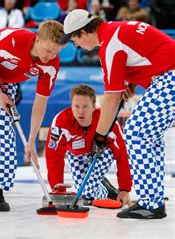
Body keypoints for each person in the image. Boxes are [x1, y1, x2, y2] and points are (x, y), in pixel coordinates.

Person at [60, 9, 174, 219]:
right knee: (150, 137)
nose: (75, 45)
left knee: (135, 134)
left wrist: (100, 134)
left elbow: (112, 98)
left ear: (84, 32)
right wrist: (130, 83)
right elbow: (144, 53)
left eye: (74, 39)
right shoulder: (114, 30)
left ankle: (152, 204)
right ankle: (153, 198)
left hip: (169, 79)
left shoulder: (109, 44)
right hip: (167, 77)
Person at [0, 20, 65, 212]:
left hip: (7, 77)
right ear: (37, 39)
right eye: (48, 50)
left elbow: (40, 103)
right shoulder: (10, 42)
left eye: (56, 52)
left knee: (5, 132)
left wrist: (31, 141)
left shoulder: (51, 65)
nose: (51, 56)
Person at [45, 84, 132, 205]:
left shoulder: (107, 121)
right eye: (76, 106)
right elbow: (54, 157)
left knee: (87, 192)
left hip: (102, 153)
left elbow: (122, 155)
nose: (80, 112)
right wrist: (59, 192)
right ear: (71, 106)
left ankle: (101, 189)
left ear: (94, 107)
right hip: (76, 156)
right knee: (84, 192)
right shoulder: (61, 122)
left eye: (85, 106)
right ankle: (106, 189)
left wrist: (124, 189)